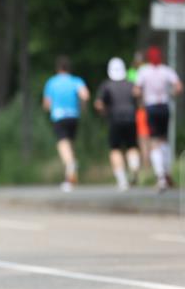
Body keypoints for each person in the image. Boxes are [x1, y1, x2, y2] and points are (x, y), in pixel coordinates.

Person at [134, 45, 183, 192]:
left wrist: (142, 96)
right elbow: (179, 87)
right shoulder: (166, 70)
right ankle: (167, 172)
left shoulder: (144, 71)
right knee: (164, 139)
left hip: (151, 107)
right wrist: (171, 94)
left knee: (154, 141)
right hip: (164, 106)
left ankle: (161, 176)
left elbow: (136, 90)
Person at [43, 56, 90, 192]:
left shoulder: (52, 82)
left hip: (59, 116)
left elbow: (47, 103)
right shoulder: (76, 81)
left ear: (58, 69)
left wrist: (49, 108)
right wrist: (83, 107)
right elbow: (85, 95)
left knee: (63, 144)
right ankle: (71, 177)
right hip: (74, 116)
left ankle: (70, 167)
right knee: (71, 144)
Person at [95, 57, 141, 191]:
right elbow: (139, 97)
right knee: (132, 146)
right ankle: (134, 167)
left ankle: (122, 180)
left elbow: (99, 104)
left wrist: (104, 112)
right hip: (131, 119)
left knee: (115, 149)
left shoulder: (106, 85)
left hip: (114, 120)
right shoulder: (131, 84)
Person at [129, 51, 152, 172]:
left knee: (143, 138)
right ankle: (148, 164)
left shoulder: (132, 73)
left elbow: (131, 91)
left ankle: (146, 165)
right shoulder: (150, 70)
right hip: (151, 107)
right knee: (152, 137)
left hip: (140, 109)